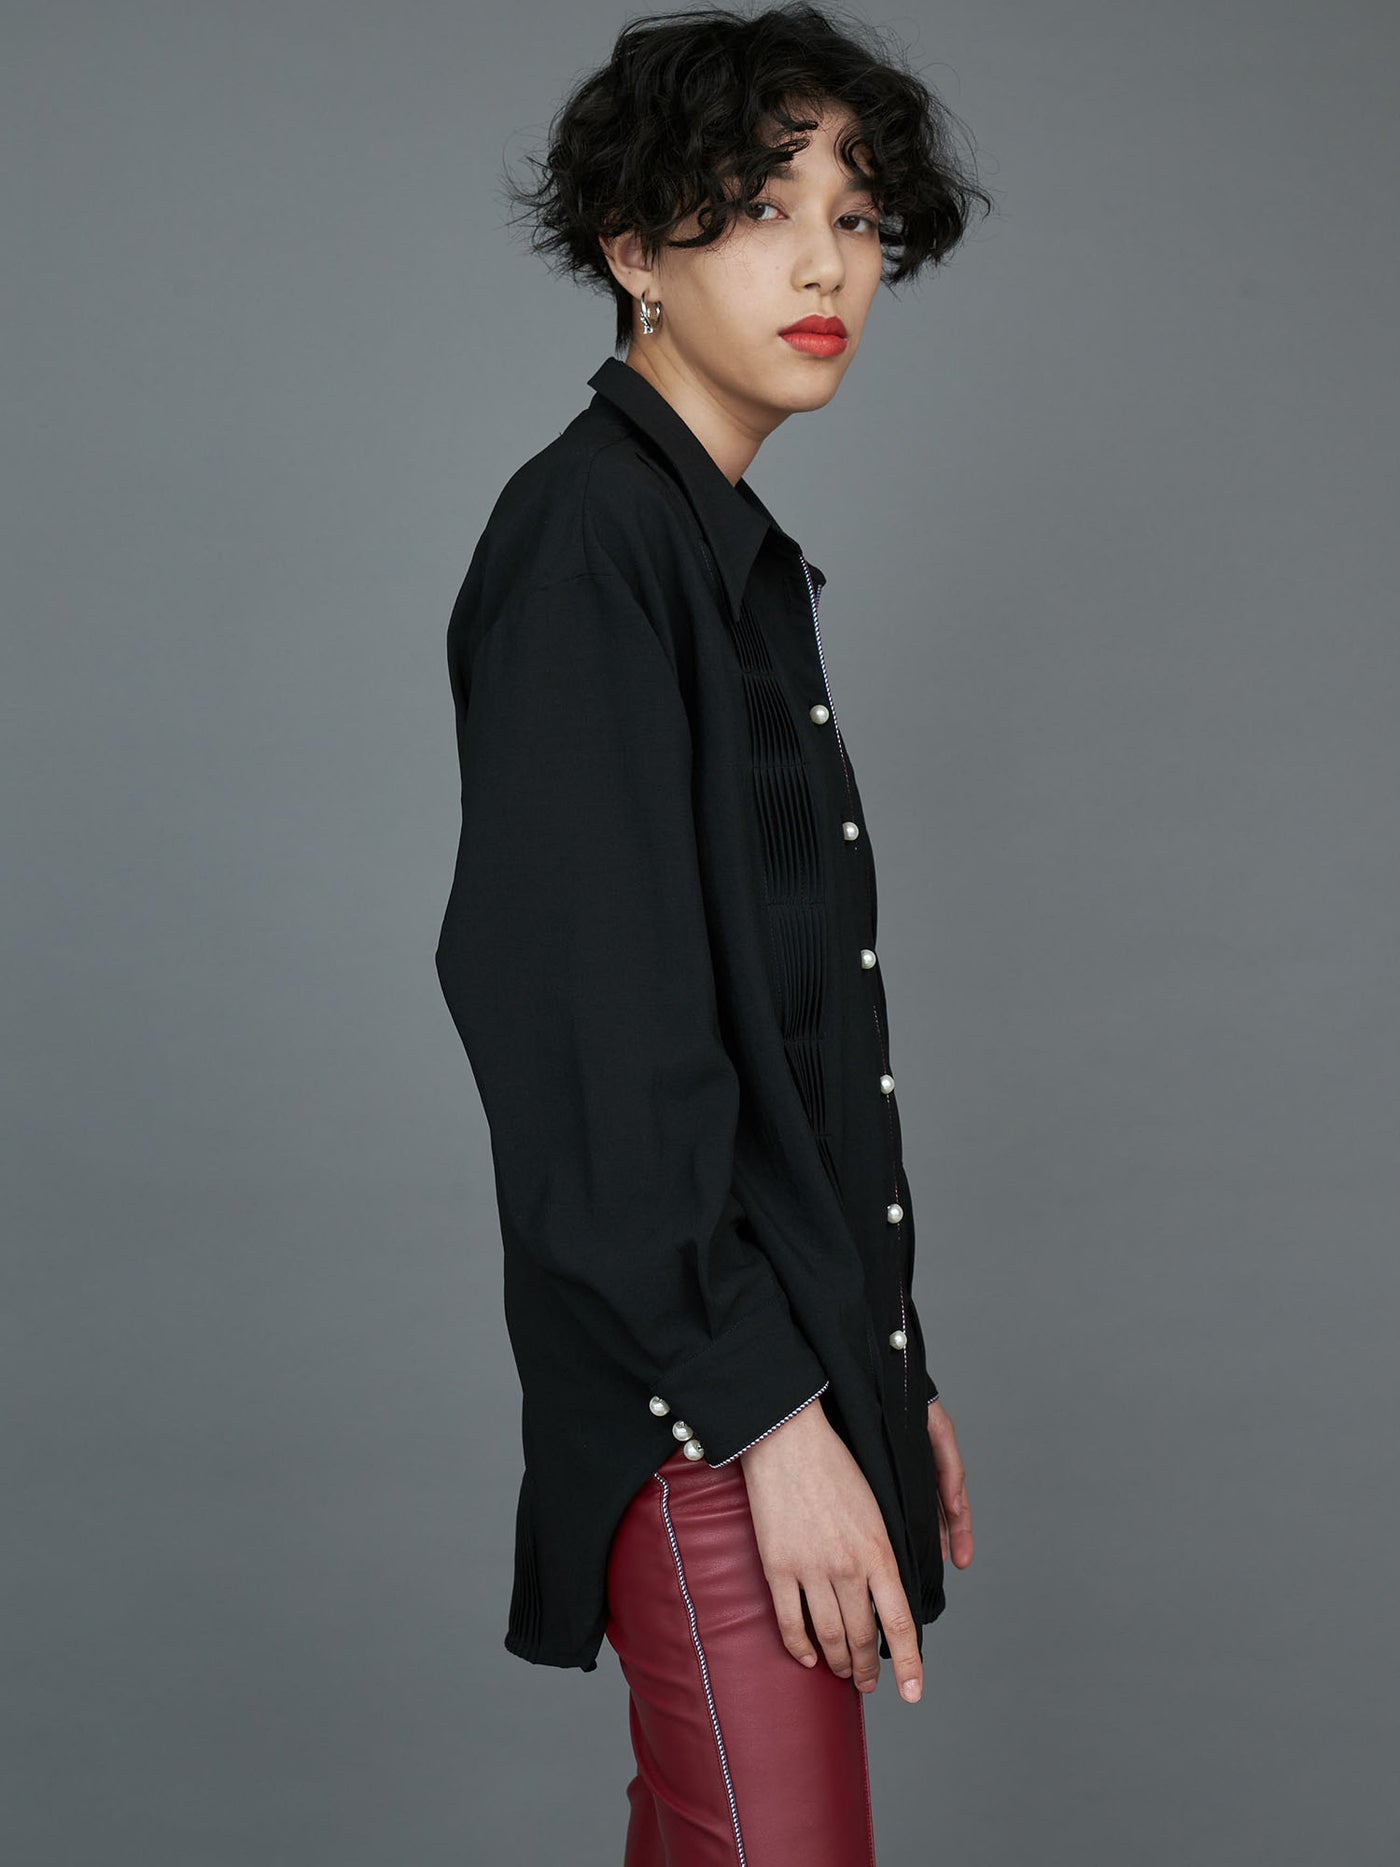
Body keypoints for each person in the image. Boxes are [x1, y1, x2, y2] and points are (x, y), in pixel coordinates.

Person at [434, 5, 991, 1859]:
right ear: (632, 251)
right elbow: (585, 1033)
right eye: (760, 209)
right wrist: (768, 1418)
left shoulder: (721, 556)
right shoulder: (591, 542)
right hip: (711, 1416)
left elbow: (785, 1035)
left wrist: (885, 1364)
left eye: (857, 214)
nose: (826, 263)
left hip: (784, 1383)